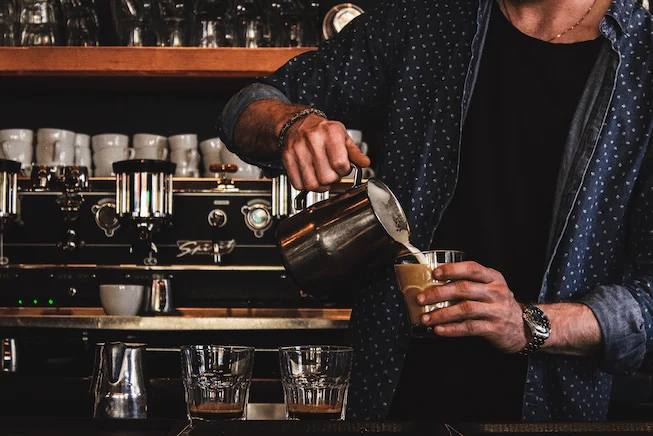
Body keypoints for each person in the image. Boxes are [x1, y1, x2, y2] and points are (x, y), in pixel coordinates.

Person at [219, 0, 653, 423]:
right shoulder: (424, 21)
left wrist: (526, 324)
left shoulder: (643, 57)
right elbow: (244, 109)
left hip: (548, 409)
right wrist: (290, 123)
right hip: (387, 398)